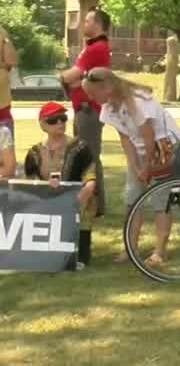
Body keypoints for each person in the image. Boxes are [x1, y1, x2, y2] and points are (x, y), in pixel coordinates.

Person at [82, 68, 180, 265]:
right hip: (140, 150)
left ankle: (160, 252)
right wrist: (135, 166)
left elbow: (149, 136)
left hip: (163, 147)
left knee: (160, 201)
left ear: (107, 88)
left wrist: (147, 167)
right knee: (132, 199)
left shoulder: (138, 101)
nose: (90, 98)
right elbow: (125, 138)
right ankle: (130, 249)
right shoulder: (108, 108)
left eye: (92, 93)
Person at [24, 102, 99, 269]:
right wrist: (45, 188)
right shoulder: (33, 153)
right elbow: (30, 185)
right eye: (53, 120)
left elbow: (90, 179)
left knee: (88, 201)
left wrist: (81, 197)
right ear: (42, 125)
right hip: (47, 202)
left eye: (63, 118)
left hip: (78, 201)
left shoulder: (80, 147)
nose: (60, 123)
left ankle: (81, 252)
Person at [59, 8, 111, 216]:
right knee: (86, 154)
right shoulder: (91, 47)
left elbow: (72, 76)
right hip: (83, 110)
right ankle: (93, 200)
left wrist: (63, 77)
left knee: (89, 156)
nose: (84, 24)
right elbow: (75, 80)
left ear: (97, 24)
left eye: (88, 21)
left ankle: (96, 203)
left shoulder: (96, 48)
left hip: (89, 111)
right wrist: (71, 81)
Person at [0, 26, 16, 143]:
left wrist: (5, 38)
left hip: (2, 104)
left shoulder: (2, 32)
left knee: (6, 150)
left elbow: (11, 61)